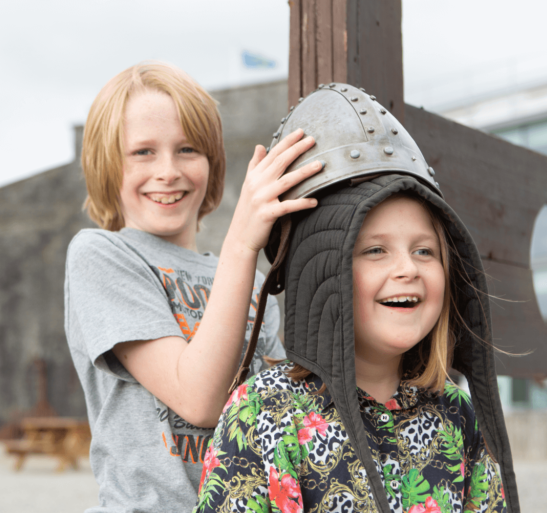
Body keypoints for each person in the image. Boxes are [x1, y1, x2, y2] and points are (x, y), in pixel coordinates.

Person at [194, 83, 519, 513]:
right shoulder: (264, 415)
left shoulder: (457, 416)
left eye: (425, 251)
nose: (408, 269)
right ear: (323, 272)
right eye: (374, 250)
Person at [64, 61, 323, 512]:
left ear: (212, 163)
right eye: (143, 152)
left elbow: (278, 415)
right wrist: (243, 242)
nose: (168, 171)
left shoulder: (253, 282)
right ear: (107, 164)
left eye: (187, 149)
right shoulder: (100, 255)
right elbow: (198, 400)